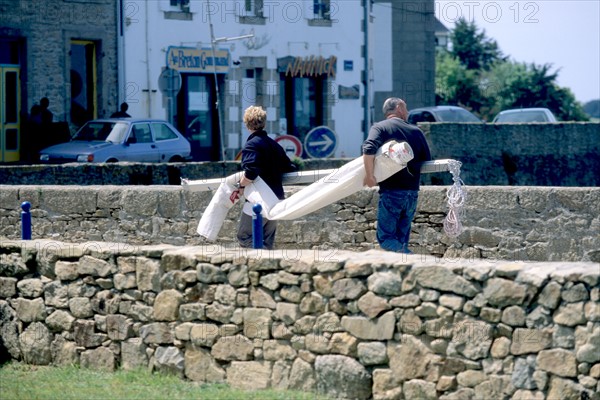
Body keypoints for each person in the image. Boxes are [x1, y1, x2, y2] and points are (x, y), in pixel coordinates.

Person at [362, 97, 432, 254]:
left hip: (392, 192)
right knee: (401, 239)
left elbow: (368, 149)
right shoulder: (416, 131)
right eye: (406, 108)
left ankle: (411, 258)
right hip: (412, 194)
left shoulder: (380, 128)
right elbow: (427, 160)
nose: (407, 112)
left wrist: (369, 176)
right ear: (399, 108)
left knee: (386, 239)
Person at [235, 106, 296, 249]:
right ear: (264, 123)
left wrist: (241, 185)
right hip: (276, 200)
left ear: (247, 124)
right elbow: (289, 167)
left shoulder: (251, 145)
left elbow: (251, 171)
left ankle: (255, 267)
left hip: (259, 200)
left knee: (245, 237)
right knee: (267, 242)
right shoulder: (274, 144)